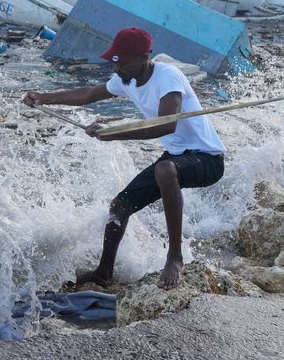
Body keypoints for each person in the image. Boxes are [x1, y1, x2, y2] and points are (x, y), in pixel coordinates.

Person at [23, 28, 226, 290]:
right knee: (119, 207)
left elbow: (165, 125)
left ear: (144, 58)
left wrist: (114, 133)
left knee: (164, 170)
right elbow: (88, 95)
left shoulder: (168, 77)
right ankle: (104, 272)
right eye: (115, 61)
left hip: (208, 159)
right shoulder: (126, 79)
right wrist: (44, 97)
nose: (117, 68)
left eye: (124, 62)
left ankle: (175, 257)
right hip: (177, 157)